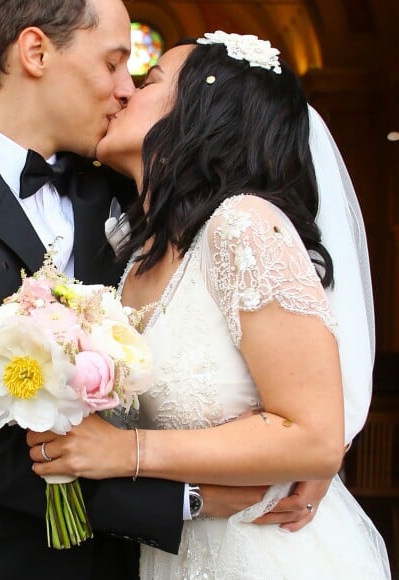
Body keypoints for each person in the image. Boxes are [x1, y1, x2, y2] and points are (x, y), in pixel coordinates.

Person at [25, 33, 391, 578]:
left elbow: (315, 437)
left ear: (204, 112)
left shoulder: (243, 226)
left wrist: (127, 452)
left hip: (268, 554)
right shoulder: (133, 257)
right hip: (176, 554)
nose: (123, 93)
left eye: (149, 81)